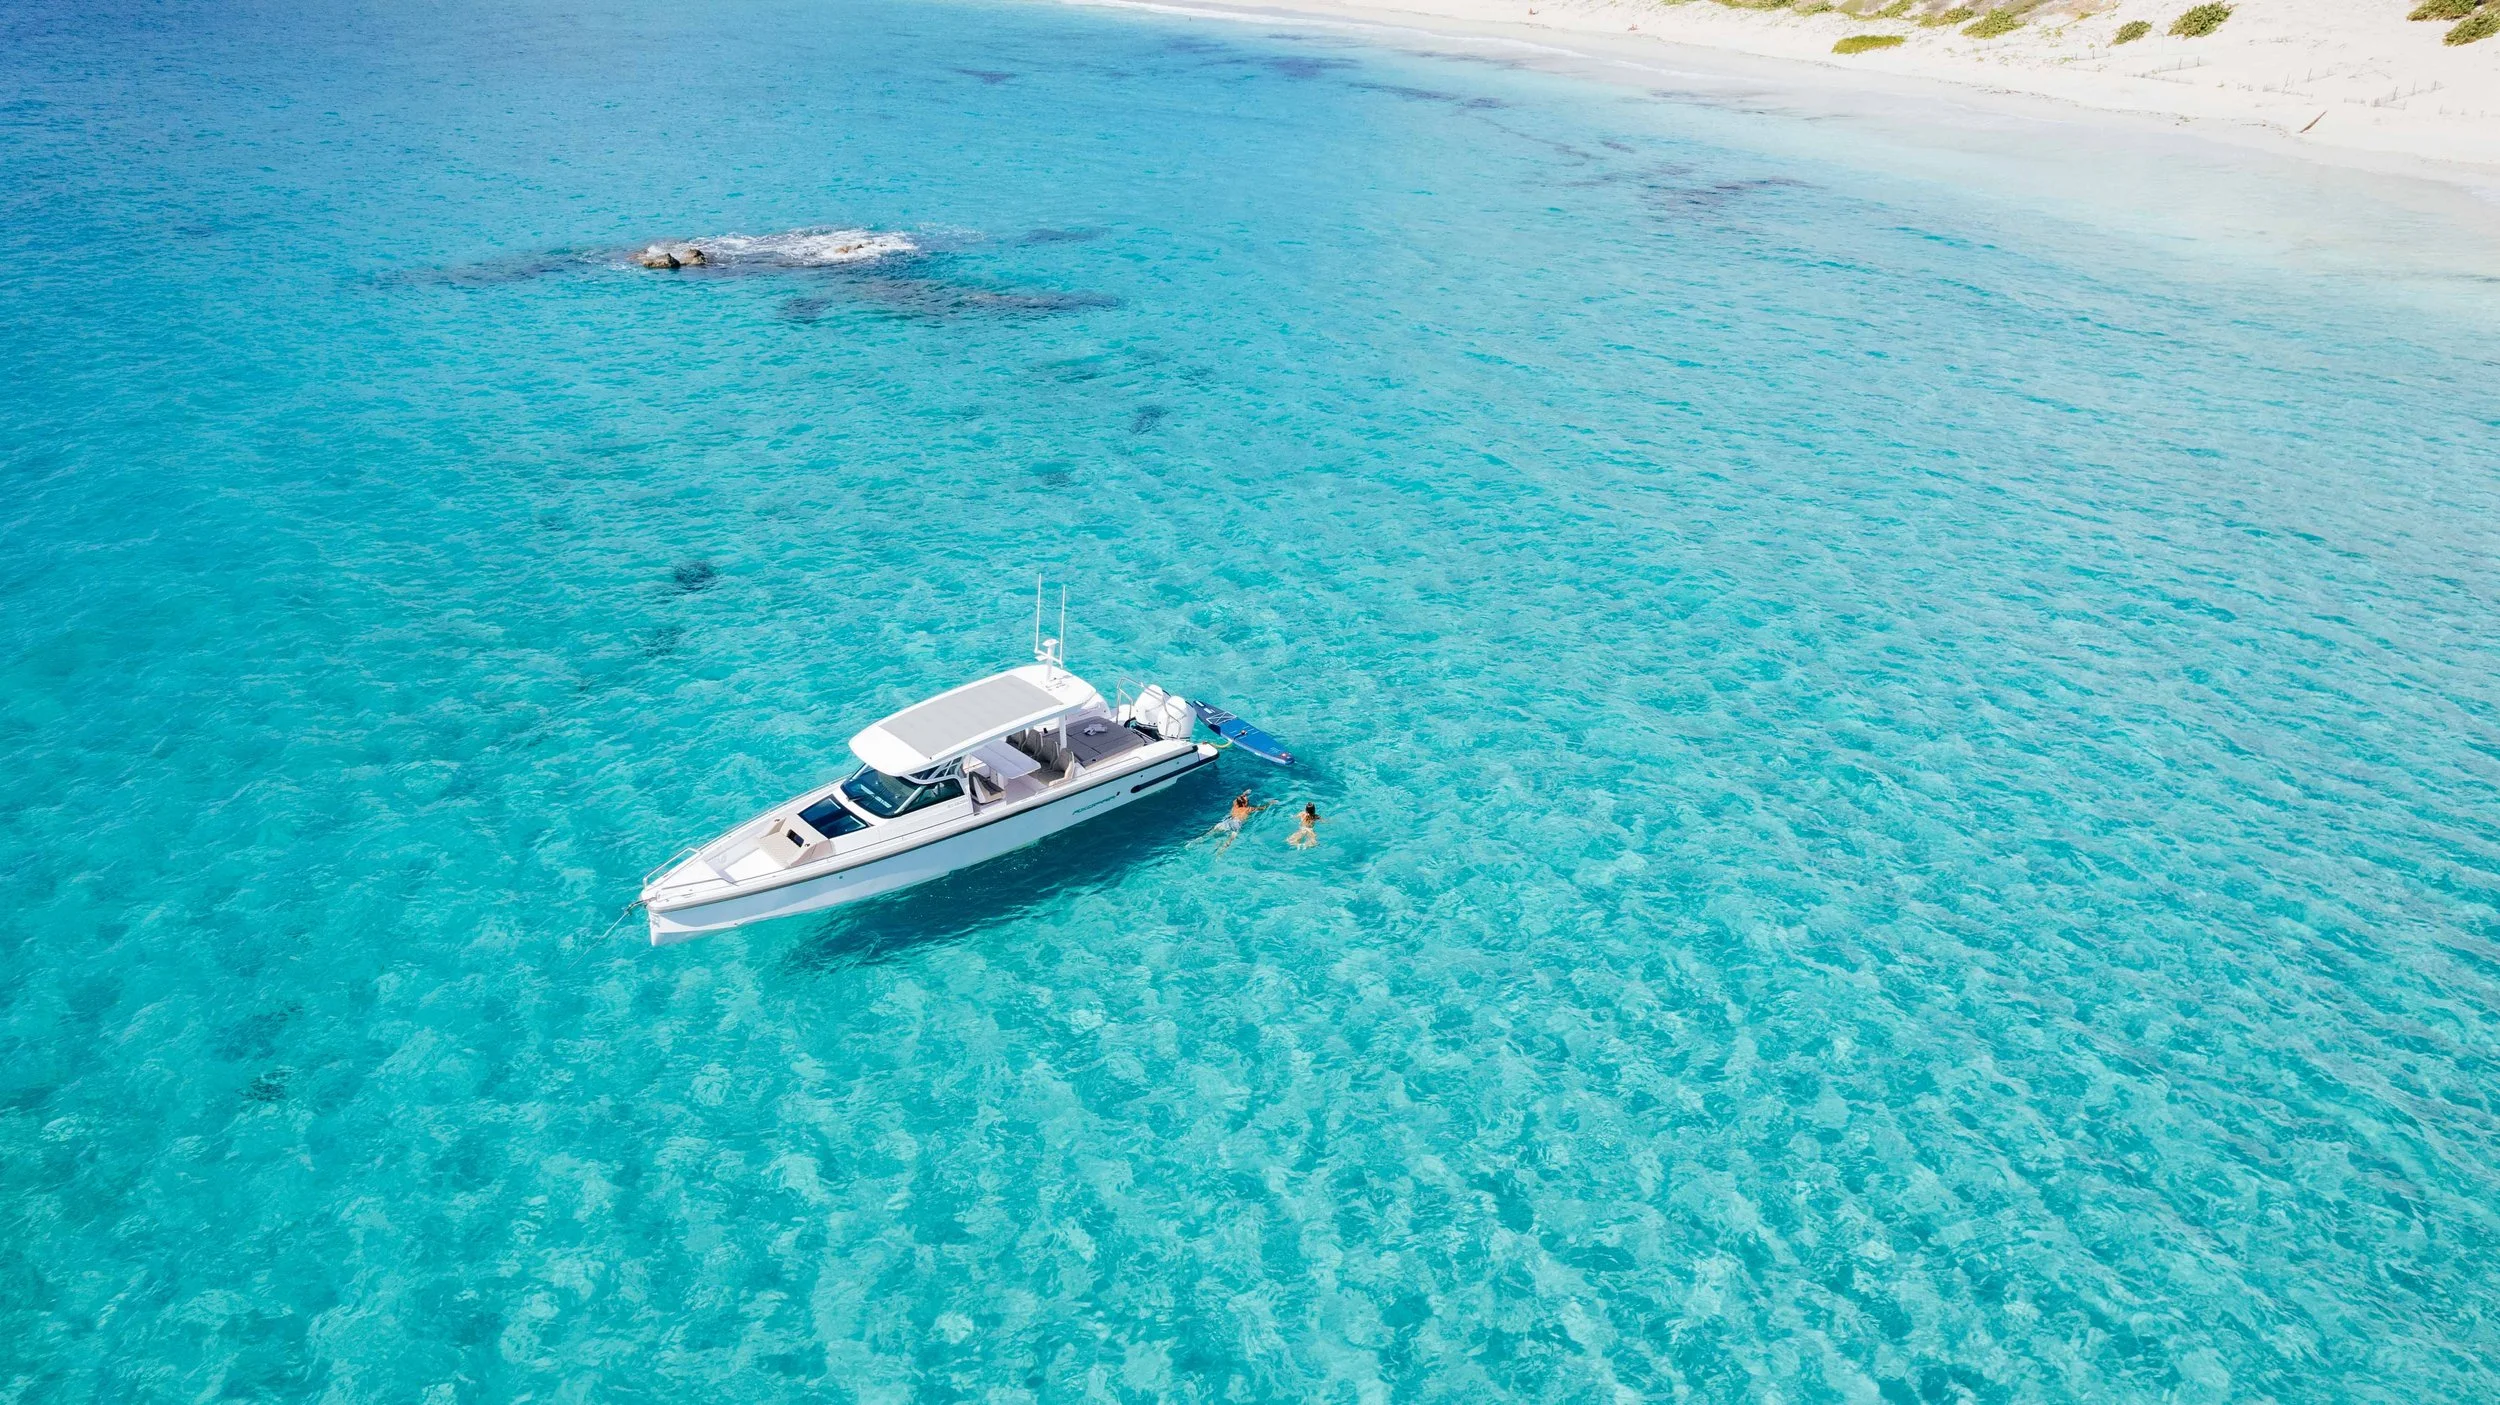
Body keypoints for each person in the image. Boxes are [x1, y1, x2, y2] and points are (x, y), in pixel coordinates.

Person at [1195, 790, 1271, 855]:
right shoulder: (1248, 809)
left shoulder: (1235, 805)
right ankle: (1220, 853)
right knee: (1230, 840)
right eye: (1247, 801)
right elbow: (1263, 808)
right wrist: (1270, 803)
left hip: (1227, 821)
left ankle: (1195, 842)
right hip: (1236, 824)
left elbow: (1237, 799)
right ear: (1244, 804)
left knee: (1210, 833)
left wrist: (1244, 793)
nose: (1248, 802)